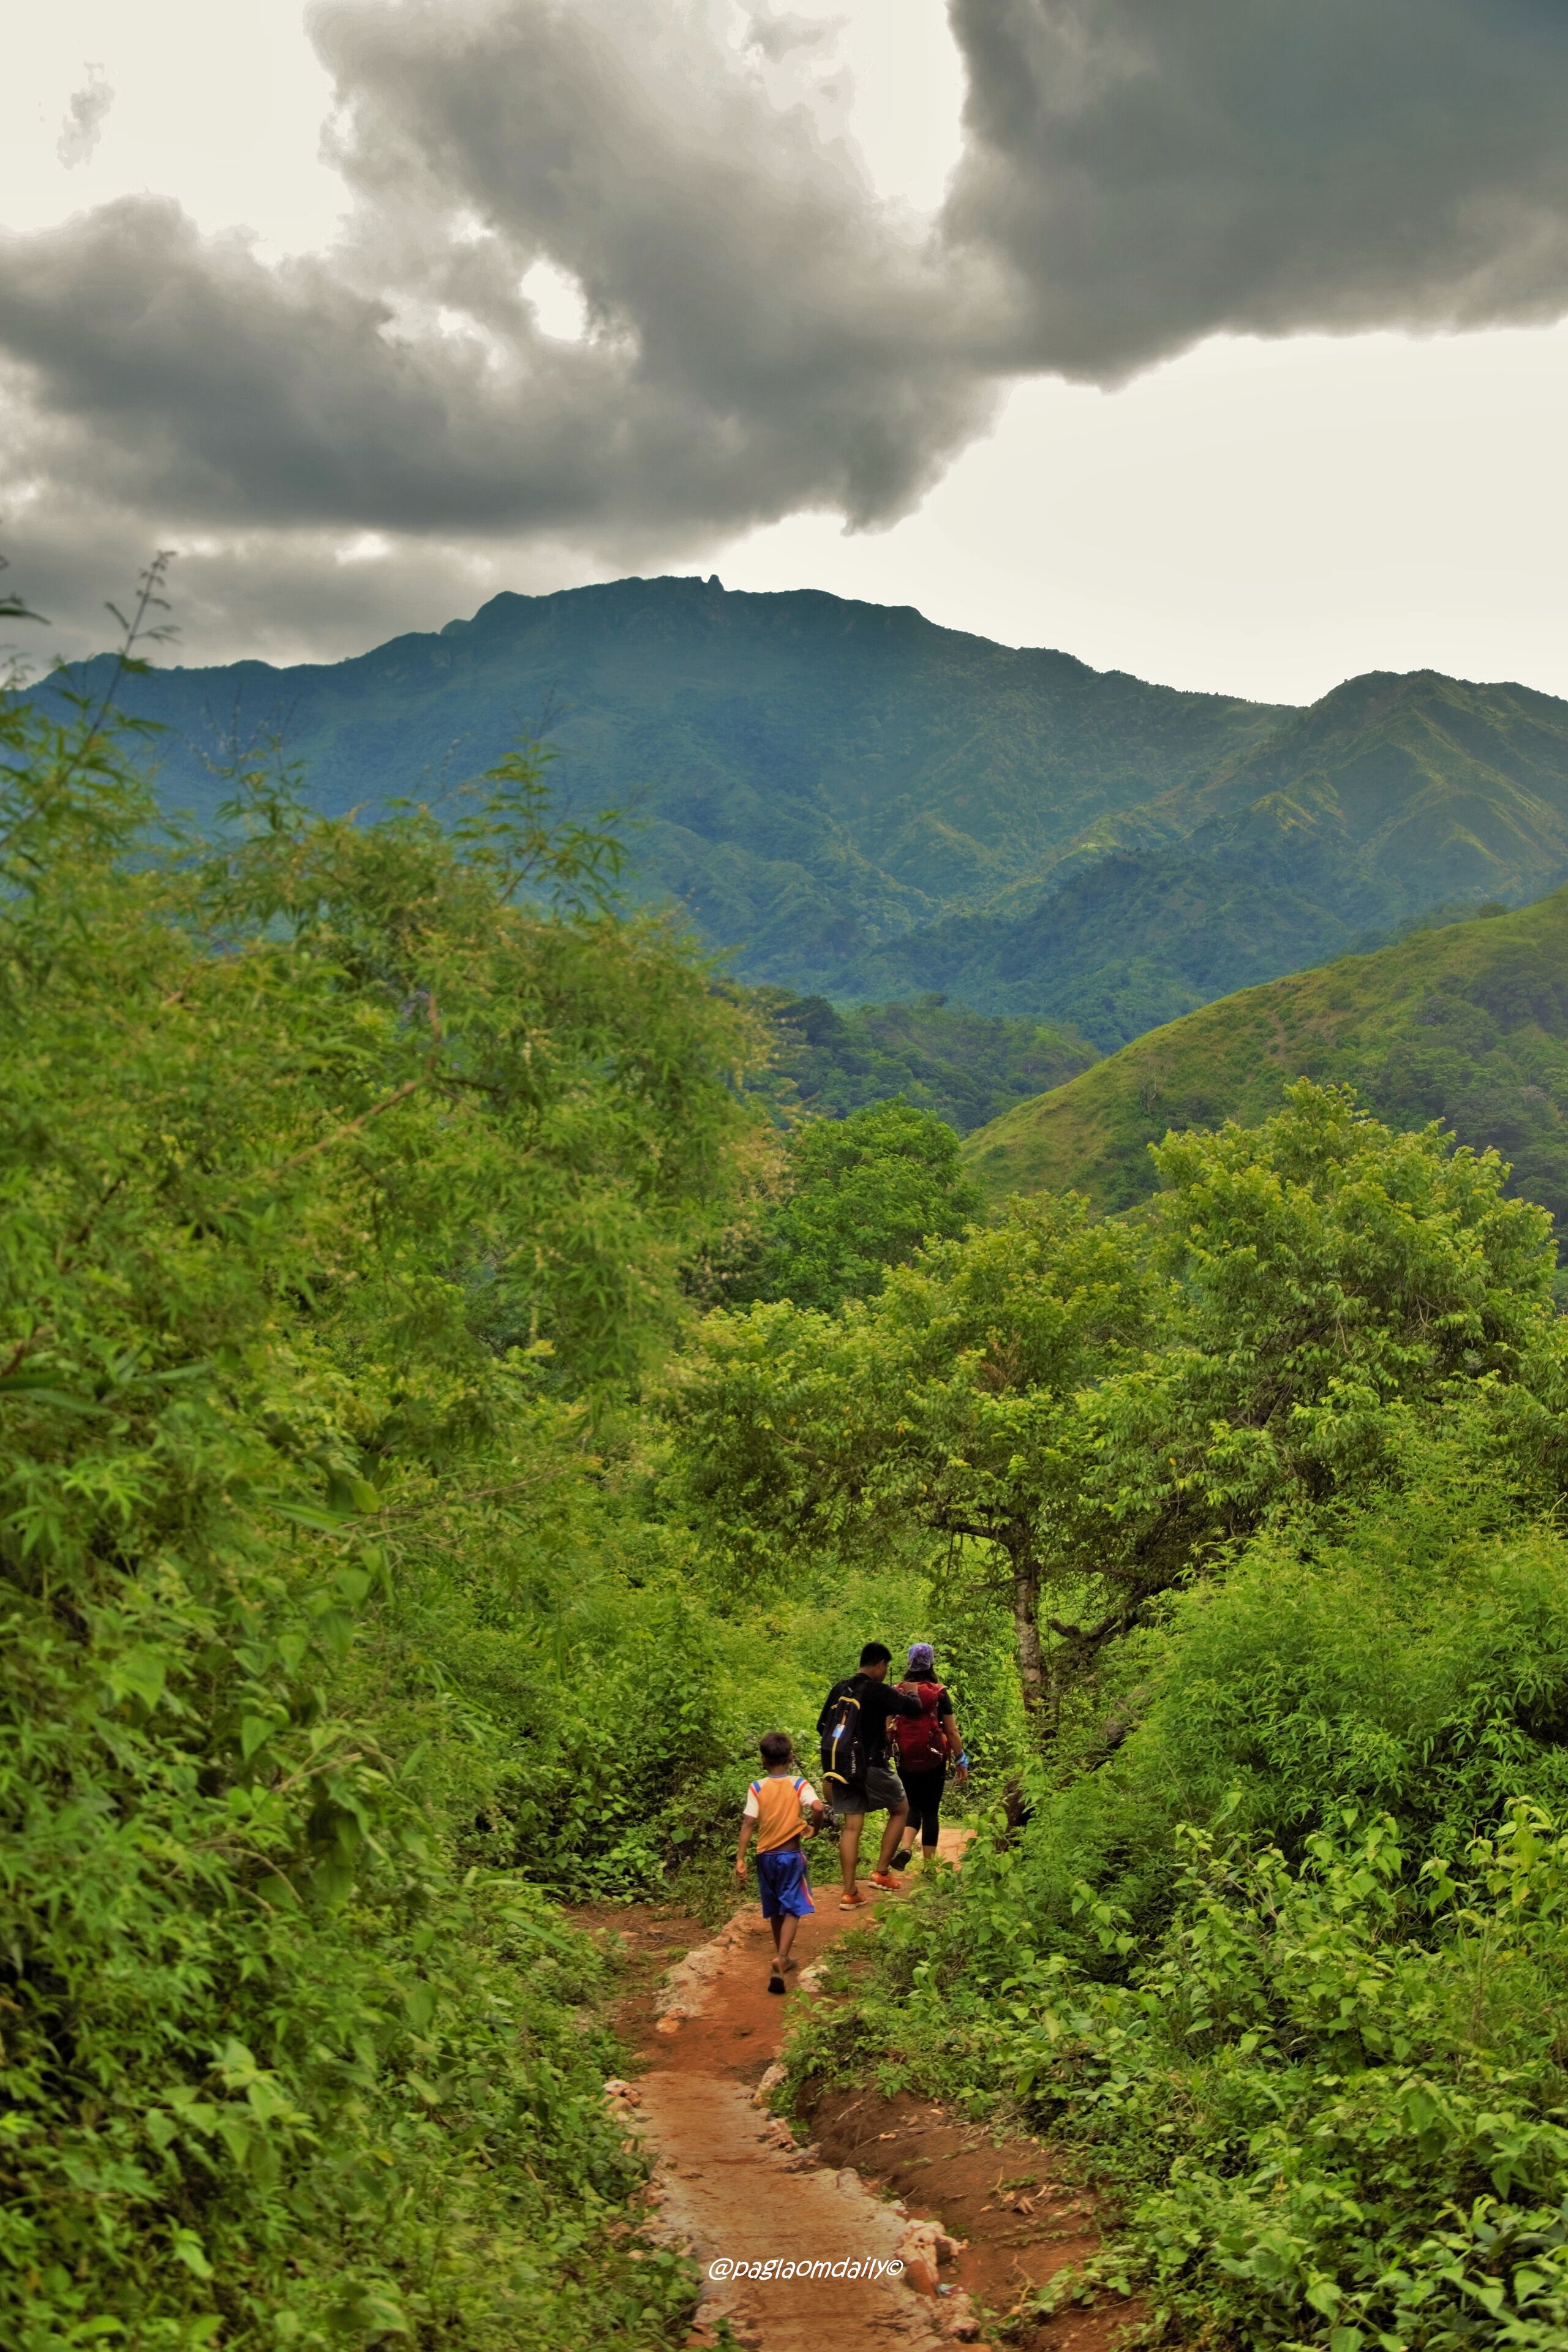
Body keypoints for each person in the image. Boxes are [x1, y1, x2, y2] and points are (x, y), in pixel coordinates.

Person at [816, 1641, 924, 1909]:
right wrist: (912, 1693)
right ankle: (881, 1872)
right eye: (885, 1668)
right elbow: (913, 1709)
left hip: (840, 1766)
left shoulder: (840, 1688)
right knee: (901, 1809)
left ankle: (850, 1892)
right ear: (880, 1664)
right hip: (872, 1765)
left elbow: (822, 1726)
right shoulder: (877, 1690)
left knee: (852, 1827)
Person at [735, 1730, 827, 1992]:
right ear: (791, 1757)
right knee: (794, 1907)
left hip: (765, 1856)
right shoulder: (799, 1784)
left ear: (763, 1760)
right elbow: (819, 1808)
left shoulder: (757, 1787)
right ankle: (782, 1957)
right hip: (790, 1856)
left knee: (775, 1907)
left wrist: (740, 1859)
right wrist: (815, 1828)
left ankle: (782, 1957)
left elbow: (749, 1823)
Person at [889, 1641, 968, 1872]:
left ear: (910, 1662)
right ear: (931, 1662)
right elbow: (951, 1731)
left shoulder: (898, 1690)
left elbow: (888, 1726)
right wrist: (961, 1758)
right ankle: (930, 1868)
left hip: (905, 1759)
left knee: (912, 1806)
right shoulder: (940, 1693)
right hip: (934, 1759)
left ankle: (905, 1848)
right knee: (930, 1810)